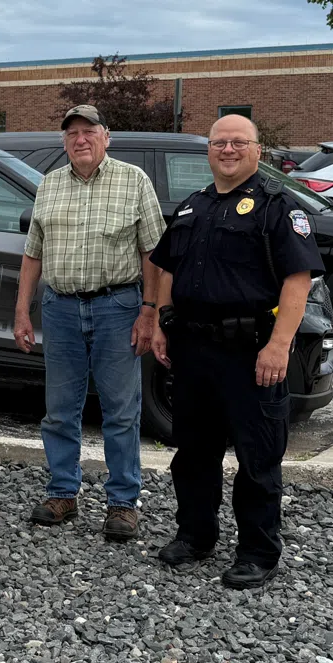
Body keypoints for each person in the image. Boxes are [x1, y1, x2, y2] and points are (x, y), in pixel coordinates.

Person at [150, 114, 324, 589]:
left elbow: (298, 279)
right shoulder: (193, 207)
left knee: (258, 457)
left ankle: (258, 551)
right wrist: (162, 324)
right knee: (194, 452)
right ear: (209, 150)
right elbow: (166, 267)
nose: (228, 150)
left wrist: (279, 346)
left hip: (251, 354)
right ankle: (195, 535)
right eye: (219, 143)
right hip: (193, 351)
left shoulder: (277, 207)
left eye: (238, 142)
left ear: (257, 149)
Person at [13, 105, 166, 541]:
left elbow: (153, 252)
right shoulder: (50, 185)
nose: (80, 139)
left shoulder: (134, 180)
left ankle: (122, 502)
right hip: (60, 308)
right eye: (72, 133)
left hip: (118, 307)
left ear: (106, 137)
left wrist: (150, 312)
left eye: (88, 131)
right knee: (60, 410)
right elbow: (33, 252)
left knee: (120, 410)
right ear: (64, 142)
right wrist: (23, 310)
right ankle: (63, 492)